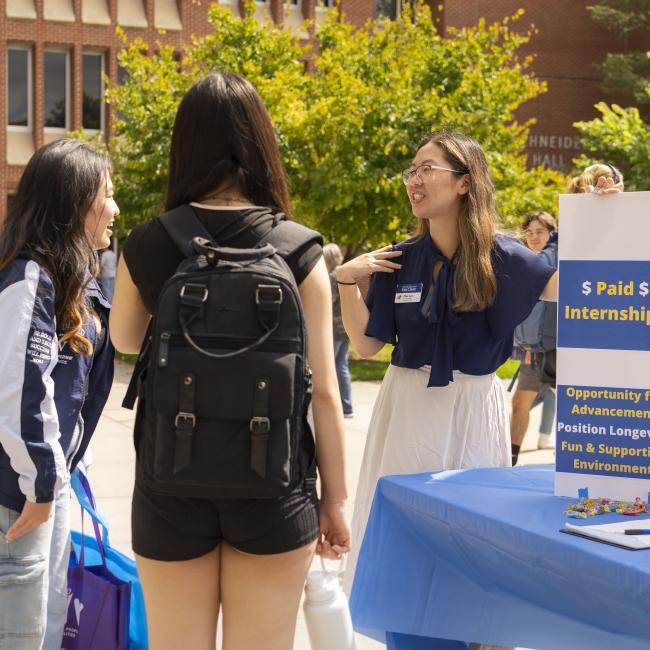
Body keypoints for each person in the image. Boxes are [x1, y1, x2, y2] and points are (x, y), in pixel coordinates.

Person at [109, 73, 350, 650]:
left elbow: (122, 339)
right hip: (278, 484)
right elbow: (323, 391)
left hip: (171, 481)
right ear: (260, 143)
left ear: (184, 146)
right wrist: (334, 500)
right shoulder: (299, 248)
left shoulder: (149, 242)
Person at [337, 130, 560, 593]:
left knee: (471, 535)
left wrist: (606, 212)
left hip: (473, 406)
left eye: (426, 169)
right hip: (407, 406)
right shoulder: (399, 257)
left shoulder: (506, 257)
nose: (414, 180)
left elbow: (577, 287)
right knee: (403, 536)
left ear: (464, 182)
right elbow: (364, 346)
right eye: (411, 172)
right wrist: (344, 283)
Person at [0, 139, 116, 649]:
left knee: (46, 628)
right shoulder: (29, 277)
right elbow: (18, 387)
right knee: (20, 634)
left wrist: (64, 472)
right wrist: (42, 481)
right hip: (21, 492)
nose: (114, 208)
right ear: (74, 202)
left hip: (48, 484)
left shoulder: (77, 283)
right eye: (105, 195)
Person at [510, 211, 558, 465]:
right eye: (529, 232)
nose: (533, 237)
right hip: (535, 348)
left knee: (574, 404)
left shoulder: (559, 258)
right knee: (519, 402)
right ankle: (510, 459)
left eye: (539, 231)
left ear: (552, 232)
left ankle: (575, 459)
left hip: (559, 348)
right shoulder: (527, 261)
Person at [323, 242, 354, 418]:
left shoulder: (330, 276)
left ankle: (333, 406)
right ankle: (347, 406)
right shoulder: (343, 273)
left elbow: (327, 303)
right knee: (342, 366)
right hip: (345, 328)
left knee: (329, 368)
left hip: (334, 328)